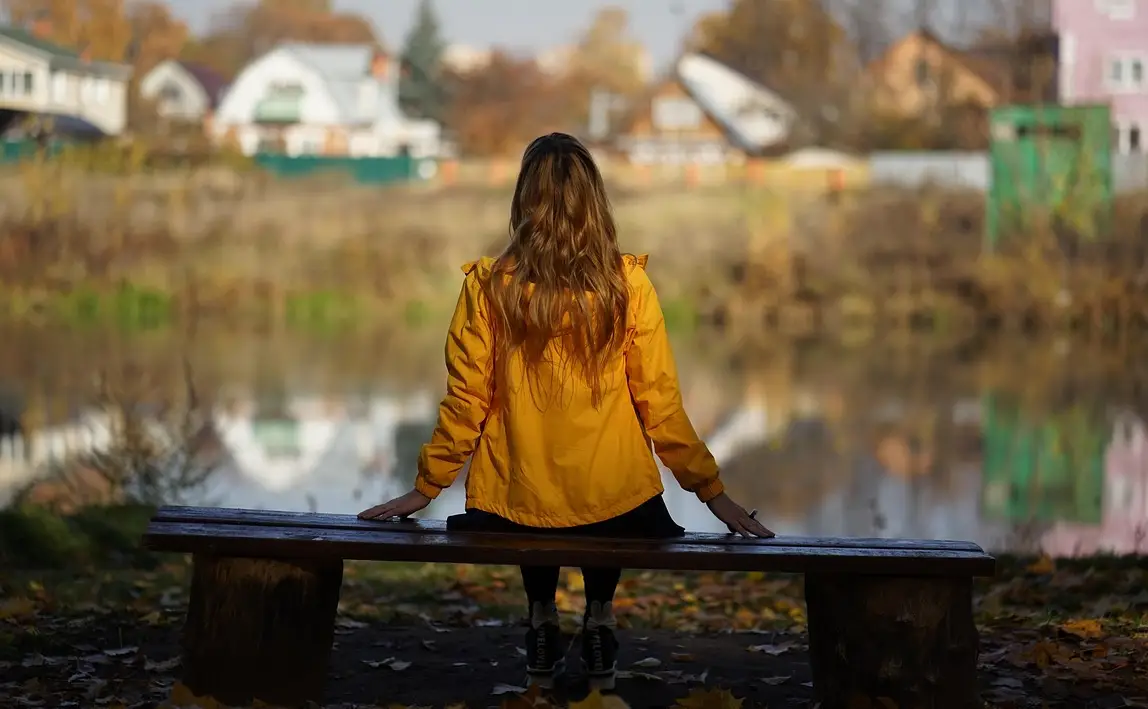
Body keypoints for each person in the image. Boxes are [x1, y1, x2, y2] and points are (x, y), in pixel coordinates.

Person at [358, 133, 773, 691]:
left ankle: (541, 617)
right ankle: (599, 615)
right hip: (620, 509)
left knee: (533, 495)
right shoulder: (627, 286)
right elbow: (662, 405)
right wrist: (711, 492)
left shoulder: (488, 288)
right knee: (606, 495)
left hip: (511, 508)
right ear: (595, 201)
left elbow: (466, 402)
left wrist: (427, 488)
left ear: (522, 201)